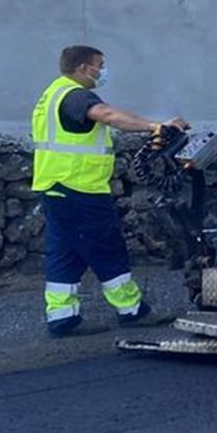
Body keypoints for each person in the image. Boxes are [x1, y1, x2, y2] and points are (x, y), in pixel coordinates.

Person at [32, 45, 188, 337]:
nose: (103, 71)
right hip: (80, 189)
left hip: (54, 188)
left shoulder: (52, 94)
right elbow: (107, 114)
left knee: (65, 253)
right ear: (83, 68)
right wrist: (157, 127)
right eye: (100, 65)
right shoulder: (76, 96)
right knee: (107, 248)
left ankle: (62, 317)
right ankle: (131, 310)